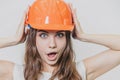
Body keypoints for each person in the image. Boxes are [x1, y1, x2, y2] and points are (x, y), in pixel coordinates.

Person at [0, 0, 120, 80]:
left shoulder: (78, 72)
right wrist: (13, 40)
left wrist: (83, 36)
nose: (52, 44)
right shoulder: (18, 74)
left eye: (60, 35)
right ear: (33, 39)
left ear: (67, 38)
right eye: (43, 35)